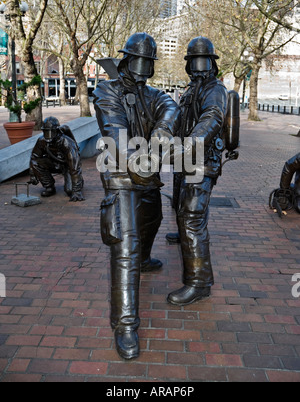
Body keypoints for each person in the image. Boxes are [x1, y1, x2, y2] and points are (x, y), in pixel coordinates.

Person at [93, 32, 181, 360]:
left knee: (153, 218)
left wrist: (161, 132)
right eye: (138, 64)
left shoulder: (153, 94)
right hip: (119, 171)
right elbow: (115, 131)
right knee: (126, 245)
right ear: (126, 59)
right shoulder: (106, 90)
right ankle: (125, 324)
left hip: (148, 171)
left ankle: (143, 260)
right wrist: (137, 159)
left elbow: (169, 106)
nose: (142, 73)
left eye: (148, 67)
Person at [166, 36, 229, 306]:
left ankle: (199, 282)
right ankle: (184, 236)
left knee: (192, 217)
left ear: (212, 64)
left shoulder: (215, 90)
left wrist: (189, 146)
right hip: (186, 159)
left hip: (202, 161)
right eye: (193, 62)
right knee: (185, 210)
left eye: (202, 62)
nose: (197, 67)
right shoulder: (191, 89)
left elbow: (211, 118)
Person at [29, 116, 84, 202]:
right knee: (36, 163)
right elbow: (34, 157)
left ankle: (79, 182)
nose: (48, 135)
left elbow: (75, 166)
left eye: (50, 131)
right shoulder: (41, 141)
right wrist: (32, 174)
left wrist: (76, 191)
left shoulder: (66, 142)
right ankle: (49, 187)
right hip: (53, 164)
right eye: (46, 131)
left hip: (67, 166)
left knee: (70, 190)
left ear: (57, 130)